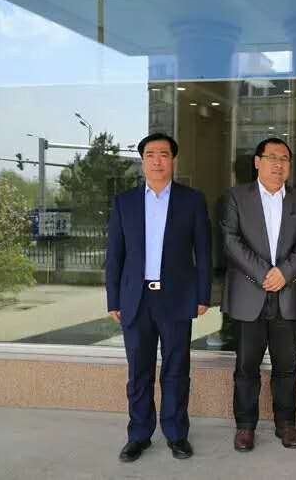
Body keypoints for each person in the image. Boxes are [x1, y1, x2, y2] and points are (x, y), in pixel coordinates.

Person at [106, 132, 212, 462]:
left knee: (176, 370)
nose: (157, 160)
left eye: (164, 154)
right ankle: (138, 435)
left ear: (173, 160)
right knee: (139, 372)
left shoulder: (191, 200)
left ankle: (176, 433)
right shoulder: (124, 202)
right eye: (150, 155)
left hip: (177, 298)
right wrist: (113, 299)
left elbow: (204, 252)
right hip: (136, 299)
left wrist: (203, 294)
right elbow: (115, 255)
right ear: (142, 162)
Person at [221, 138, 296, 452]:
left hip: (287, 294)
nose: (278, 164)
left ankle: (286, 425)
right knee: (246, 368)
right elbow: (231, 240)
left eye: (284, 159)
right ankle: (245, 427)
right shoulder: (237, 197)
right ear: (257, 162)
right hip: (250, 294)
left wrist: (284, 273)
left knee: (286, 367)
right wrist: (264, 273)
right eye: (272, 157)